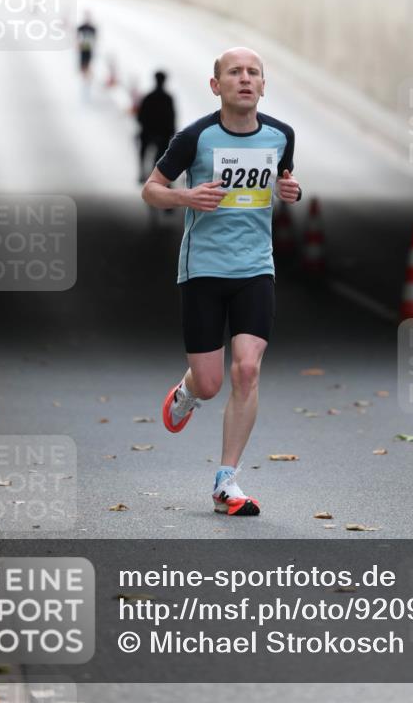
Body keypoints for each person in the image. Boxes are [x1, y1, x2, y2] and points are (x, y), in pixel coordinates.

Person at [141, 47, 302, 517]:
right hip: (203, 270)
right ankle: (188, 392)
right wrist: (186, 196)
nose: (245, 79)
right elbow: (151, 189)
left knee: (247, 369)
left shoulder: (280, 136)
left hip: (255, 268)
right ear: (217, 86)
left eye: (253, 73)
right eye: (234, 73)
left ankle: (226, 481)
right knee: (211, 384)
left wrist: (291, 191)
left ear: (264, 85)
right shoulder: (195, 138)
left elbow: (285, 182)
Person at [136, 71, 176, 184]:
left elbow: (140, 117)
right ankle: (161, 176)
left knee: (142, 150)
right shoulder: (168, 98)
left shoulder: (148, 97)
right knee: (164, 155)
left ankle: (142, 172)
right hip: (162, 134)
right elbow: (172, 118)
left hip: (149, 132)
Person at [76, 13, 97, 78]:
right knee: (83, 61)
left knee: (87, 61)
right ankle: (84, 73)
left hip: (89, 47)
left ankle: (87, 73)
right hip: (83, 47)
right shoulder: (81, 27)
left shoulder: (92, 28)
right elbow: (77, 37)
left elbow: (95, 38)